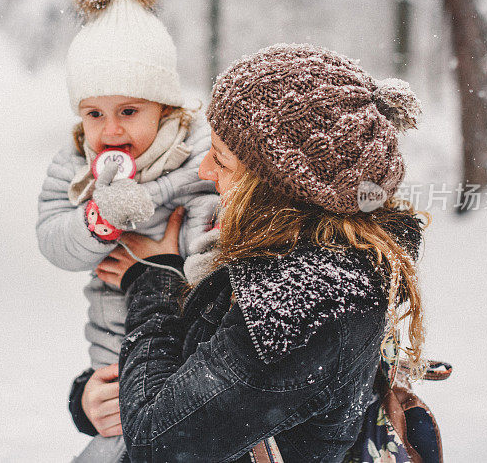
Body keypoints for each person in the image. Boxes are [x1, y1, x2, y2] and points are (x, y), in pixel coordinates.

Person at [99, 44, 429, 462]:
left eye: (220, 160)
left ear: (278, 190)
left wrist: (156, 277)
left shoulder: (303, 308)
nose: (203, 171)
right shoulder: (290, 258)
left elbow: (155, 440)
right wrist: (86, 398)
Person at [35, 0, 218, 462]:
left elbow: (220, 254)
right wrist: (98, 219)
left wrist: (163, 264)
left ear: (166, 108)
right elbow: (54, 241)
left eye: (129, 110)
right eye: (93, 113)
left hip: (190, 359)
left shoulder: (200, 159)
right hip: (113, 357)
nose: (109, 131)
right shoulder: (73, 166)